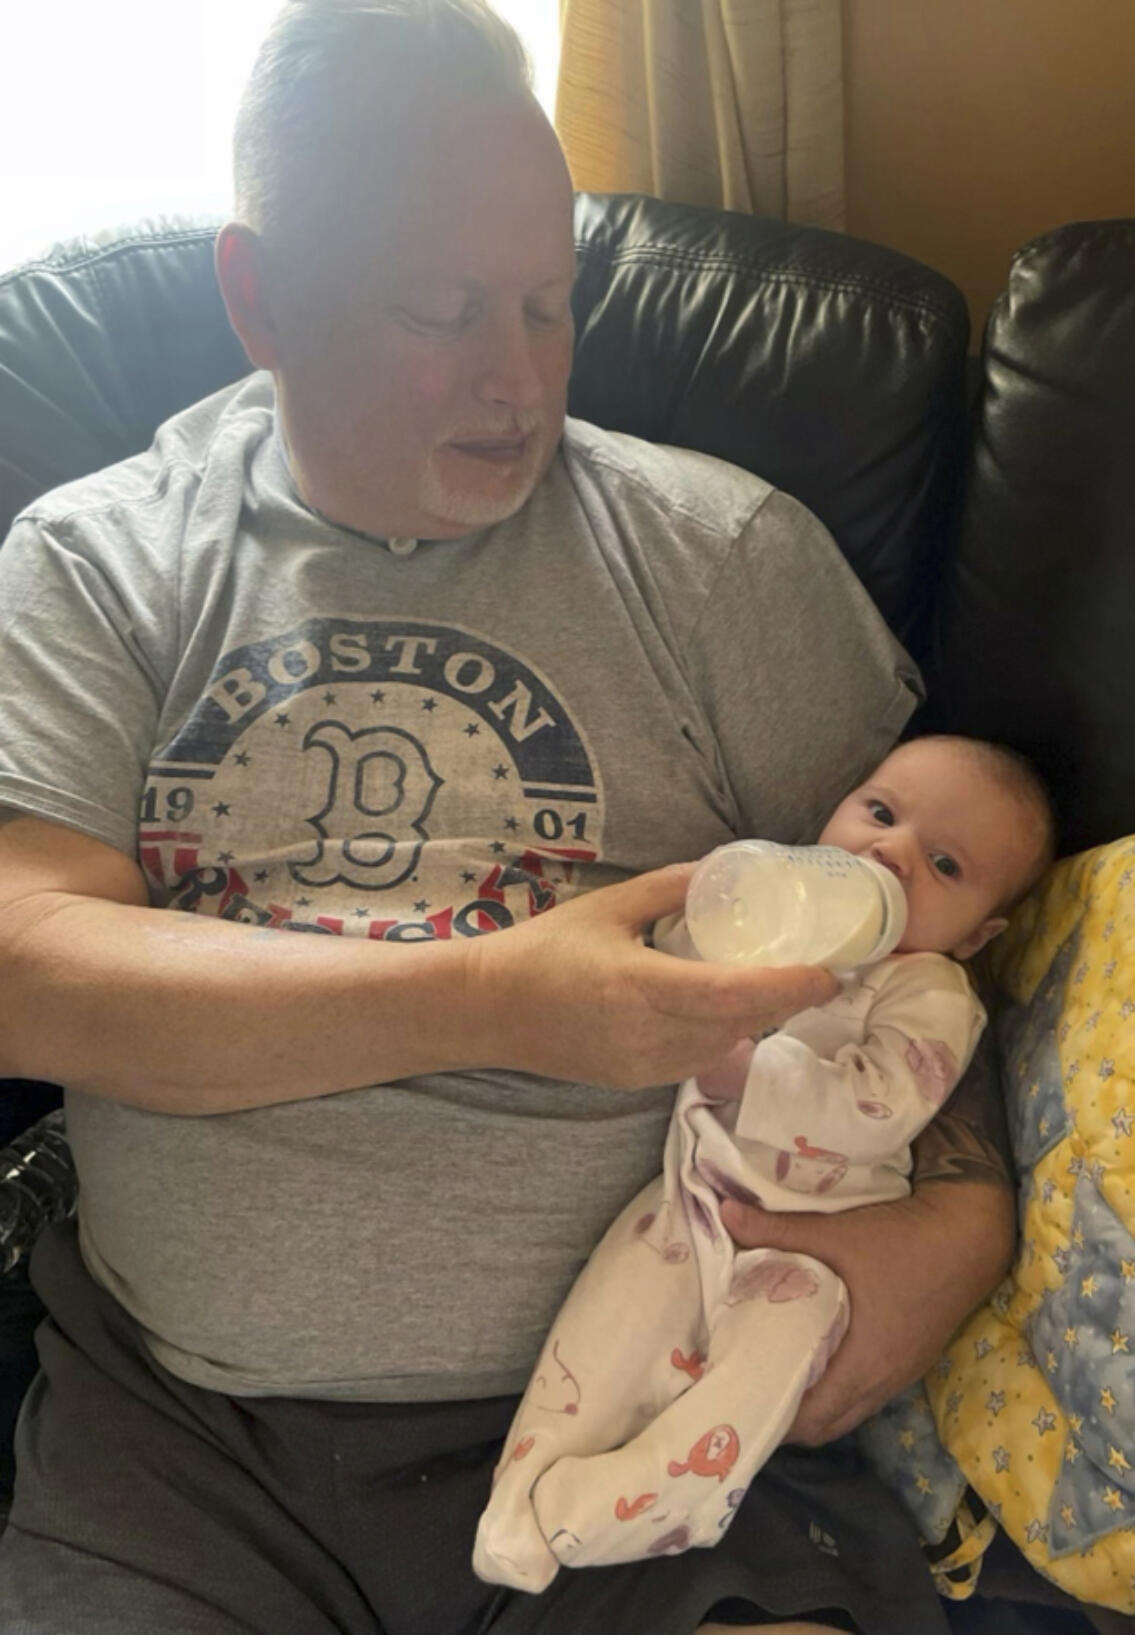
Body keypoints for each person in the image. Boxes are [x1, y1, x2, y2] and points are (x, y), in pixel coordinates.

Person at [0, 4, 1016, 1633]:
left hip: (663, 1423)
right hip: (191, 1453)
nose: (519, 376)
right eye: (441, 310)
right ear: (257, 297)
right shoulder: (99, 570)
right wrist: (494, 1001)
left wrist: (960, 1226)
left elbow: (938, 927)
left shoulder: (719, 564)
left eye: (550, 302)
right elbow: (26, 970)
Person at [474, 736, 1054, 1592]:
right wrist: (706, 917)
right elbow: (667, 974)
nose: (890, 853)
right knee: (597, 1342)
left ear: (978, 935)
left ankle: (637, 1504)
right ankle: (520, 1499)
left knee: (757, 1376)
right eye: (881, 813)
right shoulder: (783, 927)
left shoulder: (929, 991)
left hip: (813, 1254)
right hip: (687, 1202)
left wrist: (750, 1071)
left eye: (941, 863)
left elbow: (881, 1105)